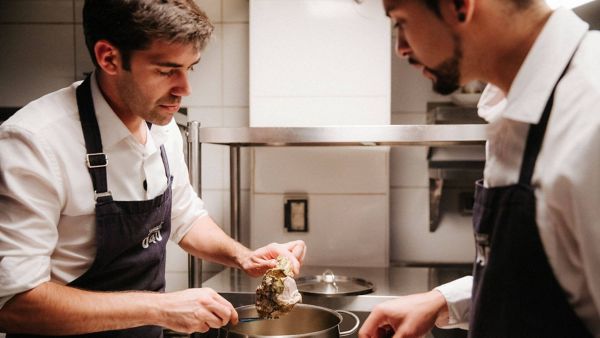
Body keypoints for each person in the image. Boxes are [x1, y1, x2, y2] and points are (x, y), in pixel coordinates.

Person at [0, 0, 306, 337]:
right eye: (166, 70)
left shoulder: (162, 126)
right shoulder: (33, 142)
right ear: (109, 58)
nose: (184, 89)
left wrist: (244, 257)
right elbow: (15, 303)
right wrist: (161, 308)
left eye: (191, 68)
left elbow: (185, 217)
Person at [359, 0, 599, 337]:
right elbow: (547, 285)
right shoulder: (511, 104)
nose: (400, 47)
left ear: (459, 6)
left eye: (401, 21)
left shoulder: (591, 110)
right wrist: (445, 300)